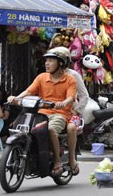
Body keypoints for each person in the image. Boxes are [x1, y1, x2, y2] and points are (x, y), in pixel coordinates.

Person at [7, 49, 77, 177]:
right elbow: (29, 92)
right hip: (41, 113)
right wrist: (15, 98)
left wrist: (64, 103)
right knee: (23, 128)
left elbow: (71, 97)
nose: (47, 63)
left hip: (60, 114)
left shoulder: (70, 79)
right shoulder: (41, 77)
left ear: (60, 63)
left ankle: (57, 161)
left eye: (51, 61)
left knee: (50, 130)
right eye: (46, 61)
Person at [50, 46, 89, 174]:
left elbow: (84, 95)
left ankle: (71, 158)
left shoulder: (73, 76)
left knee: (71, 128)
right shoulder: (47, 75)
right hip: (51, 112)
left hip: (71, 112)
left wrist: (77, 111)